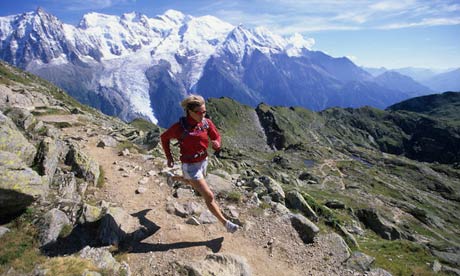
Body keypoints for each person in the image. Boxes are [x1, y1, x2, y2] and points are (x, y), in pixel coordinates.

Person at [160, 94, 239, 233]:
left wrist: (217, 143)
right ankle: (226, 223)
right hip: (190, 165)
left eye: (204, 111)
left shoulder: (206, 123)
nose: (203, 115)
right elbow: (164, 137)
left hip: (203, 161)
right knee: (208, 195)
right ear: (189, 112)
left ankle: (173, 178)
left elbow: (216, 136)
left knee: (193, 183)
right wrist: (169, 157)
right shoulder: (179, 128)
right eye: (199, 112)